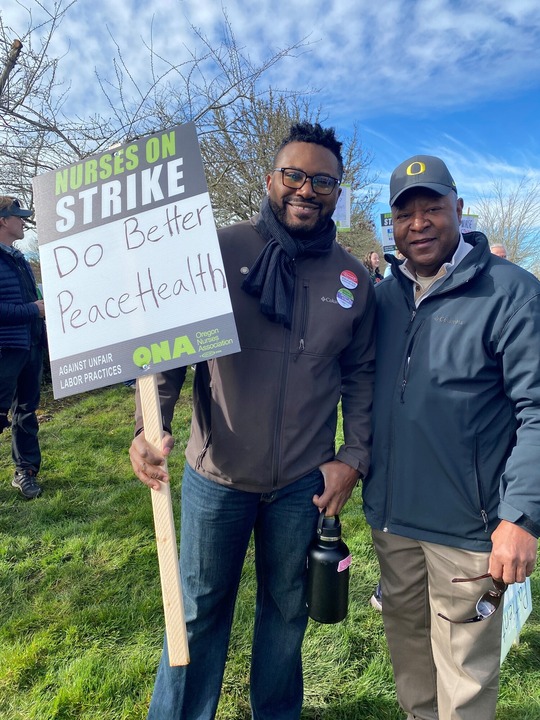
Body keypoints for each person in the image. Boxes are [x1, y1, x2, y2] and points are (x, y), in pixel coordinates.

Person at [129, 122, 376, 720]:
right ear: (271, 179)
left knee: (287, 611)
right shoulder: (216, 251)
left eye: (323, 181)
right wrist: (147, 426)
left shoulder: (353, 279)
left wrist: (353, 457)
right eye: (294, 174)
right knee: (196, 611)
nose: (307, 189)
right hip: (218, 477)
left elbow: (362, 375)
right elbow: (167, 355)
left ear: (337, 192)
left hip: (302, 483)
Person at [362, 155, 540, 720]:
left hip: (469, 533)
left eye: (432, 207)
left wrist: (521, 518)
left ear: (458, 210)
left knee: (463, 686)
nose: (419, 223)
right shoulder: (384, 296)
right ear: (391, 225)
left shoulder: (511, 293)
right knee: (412, 669)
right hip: (393, 524)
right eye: (404, 213)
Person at [0, 197, 46, 499]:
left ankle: (25, 471)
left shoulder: (19, 259)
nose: (24, 222)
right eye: (19, 217)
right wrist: (34, 310)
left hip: (31, 345)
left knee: (27, 412)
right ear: (3, 220)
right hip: (6, 349)